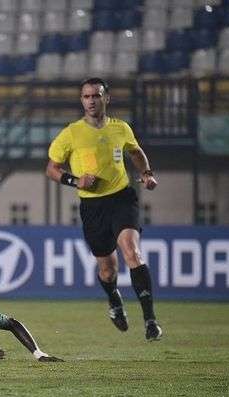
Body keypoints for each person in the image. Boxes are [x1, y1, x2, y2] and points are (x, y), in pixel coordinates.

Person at [46, 77, 162, 341]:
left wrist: (146, 173)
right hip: (92, 206)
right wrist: (75, 181)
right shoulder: (71, 133)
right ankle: (114, 300)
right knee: (108, 270)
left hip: (122, 198)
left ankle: (150, 321)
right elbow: (51, 169)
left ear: (106, 98)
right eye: (86, 97)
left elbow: (136, 152)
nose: (91, 101)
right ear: (81, 100)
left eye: (96, 96)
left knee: (132, 253)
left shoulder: (120, 128)